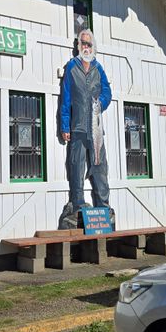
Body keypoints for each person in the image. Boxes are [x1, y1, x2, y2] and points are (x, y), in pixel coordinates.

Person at [59, 29, 112, 228]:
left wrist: (101, 102)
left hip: (96, 129)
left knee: (100, 167)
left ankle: (104, 204)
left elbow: (107, 91)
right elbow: (65, 100)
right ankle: (77, 204)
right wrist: (65, 125)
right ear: (78, 46)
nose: (86, 47)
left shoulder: (99, 68)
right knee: (76, 165)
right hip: (78, 127)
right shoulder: (71, 68)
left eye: (89, 44)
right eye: (83, 43)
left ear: (93, 47)